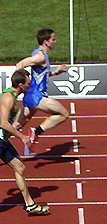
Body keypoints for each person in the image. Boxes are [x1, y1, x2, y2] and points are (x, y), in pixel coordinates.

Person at [0, 69, 50, 216]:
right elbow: (3, 123)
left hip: (2, 140)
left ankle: (30, 205)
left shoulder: (12, 96)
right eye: (29, 83)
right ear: (21, 85)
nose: (31, 85)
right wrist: (21, 136)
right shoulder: (8, 98)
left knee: (20, 167)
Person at [15, 28, 68, 147]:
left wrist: (54, 72)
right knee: (63, 114)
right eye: (53, 39)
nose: (55, 41)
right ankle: (36, 132)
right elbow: (20, 65)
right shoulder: (40, 57)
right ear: (46, 42)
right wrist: (22, 83)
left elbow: (40, 74)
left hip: (31, 96)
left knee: (15, 126)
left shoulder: (39, 53)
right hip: (37, 96)